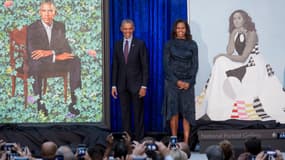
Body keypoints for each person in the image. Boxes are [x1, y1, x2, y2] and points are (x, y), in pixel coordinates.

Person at [196, 9, 285, 123]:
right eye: (234, 18)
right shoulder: (236, 32)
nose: (236, 21)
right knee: (220, 62)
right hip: (241, 62)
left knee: (221, 58)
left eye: (239, 18)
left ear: (244, 19)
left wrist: (221, 55)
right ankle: (215, 107)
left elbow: (244, 57)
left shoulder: (251, 33)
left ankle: (242, 107)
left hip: (253, 63)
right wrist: (232, 35)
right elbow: (229, 52)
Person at [27, 0, 81, 116]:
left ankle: (74, 103)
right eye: (44, 11)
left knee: (75, 60)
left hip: (53, 60)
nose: (47, 14)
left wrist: (50, 53)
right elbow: (34, 53)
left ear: (55, 13)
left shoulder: (60, 26)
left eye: (50, 11)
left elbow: (65, 49)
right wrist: (56, 56)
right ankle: (40, 104)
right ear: (40, 12)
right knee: (36, 63)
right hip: (39, 62)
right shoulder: (32, 28)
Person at [111, 19, 149, 141]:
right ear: (121, 29)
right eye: (125, 28)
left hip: (137, 85)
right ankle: (127, 140)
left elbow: (145, 66)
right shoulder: (117, 44)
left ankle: (139, 140)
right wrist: (113, 85)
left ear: (133, 29)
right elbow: (115, 65)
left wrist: (144, 86)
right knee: (125, 115)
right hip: (122, 85)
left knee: (138, 114)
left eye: (130, 28)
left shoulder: (140, 44)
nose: (127, 31)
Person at [162, 19, 199, 144]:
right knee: (174, 112)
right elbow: (166, 66)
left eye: (183, 28)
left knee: (187, 113)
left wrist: (189, 82)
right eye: (178, 28)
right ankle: (174, 141)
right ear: (175, 30)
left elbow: (195, 65)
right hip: (173, 83)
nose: (180, 30)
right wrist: (177, 81)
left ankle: (186, 143)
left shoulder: (193, 44)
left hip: (188, 83)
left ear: (186, 30)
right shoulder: (169, 44)